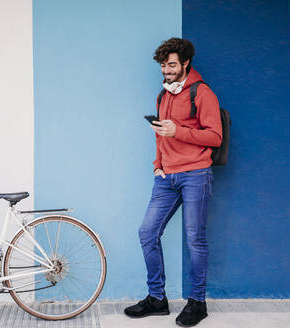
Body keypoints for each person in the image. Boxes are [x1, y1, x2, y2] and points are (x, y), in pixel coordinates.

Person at [124, 38, 222, 327]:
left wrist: (178, 131)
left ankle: (198, 303)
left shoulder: (202, 93)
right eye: (163, 65)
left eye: (171, 65)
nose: (166, 71)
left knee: (195, 239)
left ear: (186, 63)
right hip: (167, 177)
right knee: (147, 233)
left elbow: (215, 137)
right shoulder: (163, 95)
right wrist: (158, 166)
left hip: (196, 174)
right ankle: (157, 299)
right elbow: (160, 134)